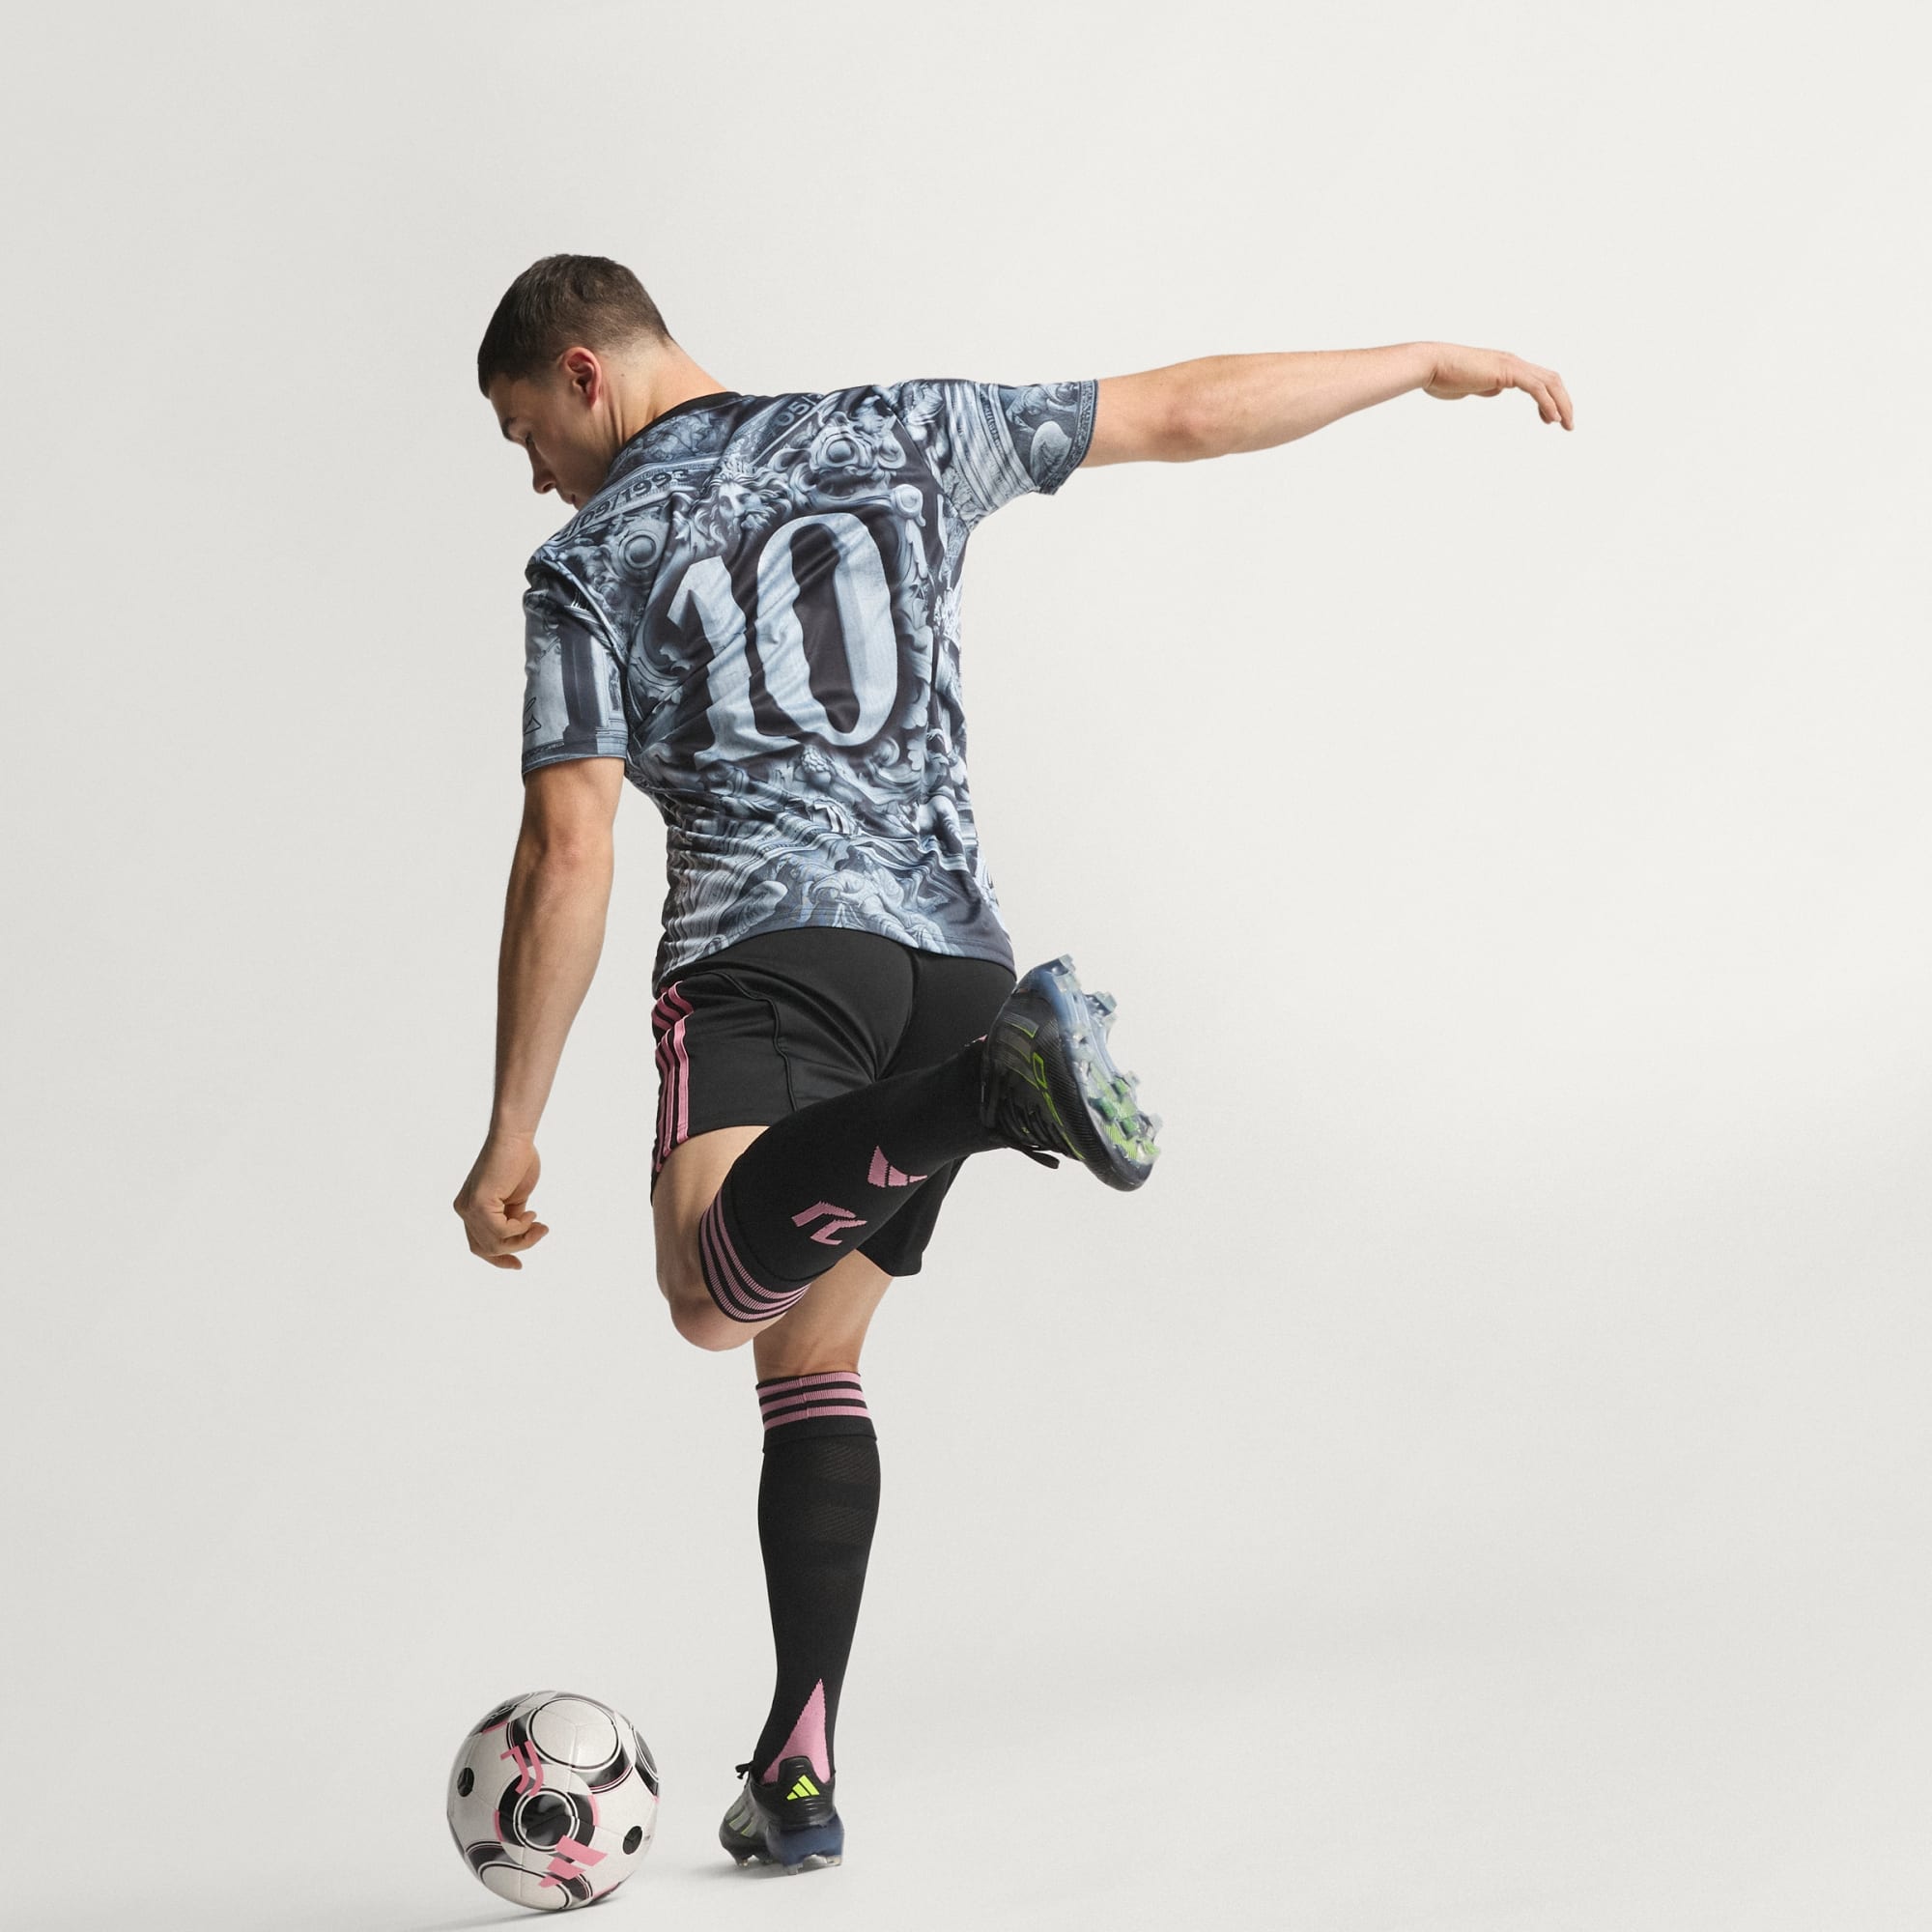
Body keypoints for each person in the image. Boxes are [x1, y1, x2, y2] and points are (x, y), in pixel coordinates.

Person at [453, 254, 1573, 1874]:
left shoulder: (588, 560)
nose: (535, 475)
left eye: (524, 434)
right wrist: (1418, 359)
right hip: (955, 966)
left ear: (583, 374)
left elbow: (568, 848)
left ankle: (990, 1096)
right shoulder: (905, 429)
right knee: (811, 1363)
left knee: (708, 1293)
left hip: (771, 955)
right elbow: (1182, 411)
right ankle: (797, 1771)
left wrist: (513, 1122)